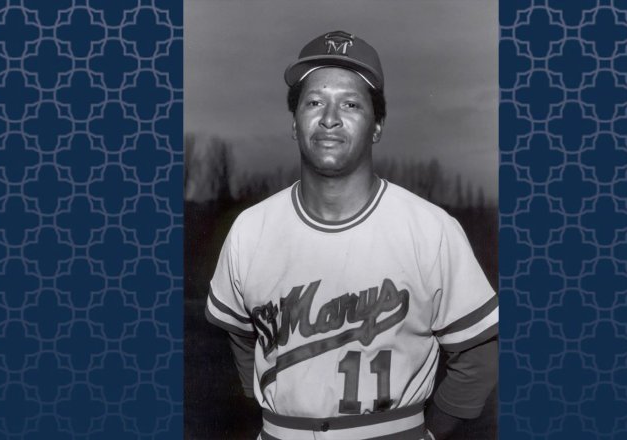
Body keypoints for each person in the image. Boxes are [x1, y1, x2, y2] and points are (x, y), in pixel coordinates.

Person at [205, 30, 498, 440]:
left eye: (351, 103)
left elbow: (479, 356)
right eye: (313, 102)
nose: (329, 118)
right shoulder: (250, 231)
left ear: (377, 125)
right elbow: (239, 334)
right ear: (294, 123)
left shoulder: (430, 230)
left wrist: (431, 432)